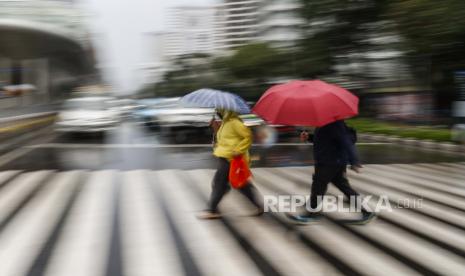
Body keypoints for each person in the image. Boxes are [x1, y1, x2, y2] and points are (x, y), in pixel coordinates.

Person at [297, 120, 375, 222]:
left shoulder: (334, 123)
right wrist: (309, 137)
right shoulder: (325, 122)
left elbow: (346, 142)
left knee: (318, 186)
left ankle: (311, 214)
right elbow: (324, 140)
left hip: (330, 162)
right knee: (343, 187)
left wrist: (354, 161)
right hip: (332, 161)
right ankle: (366, 211)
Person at [198, 109, 263, 219]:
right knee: (240, 185)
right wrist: (215, 127)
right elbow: (224, 140)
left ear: (225, 110)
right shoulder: (225, 122)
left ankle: (212, 210)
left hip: (232, 159)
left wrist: (239, 149)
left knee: (219, 183)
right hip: (225, 157)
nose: (217, 111)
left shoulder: (235, 122)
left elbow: (248, 136)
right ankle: (258, 206)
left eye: (219, 109)